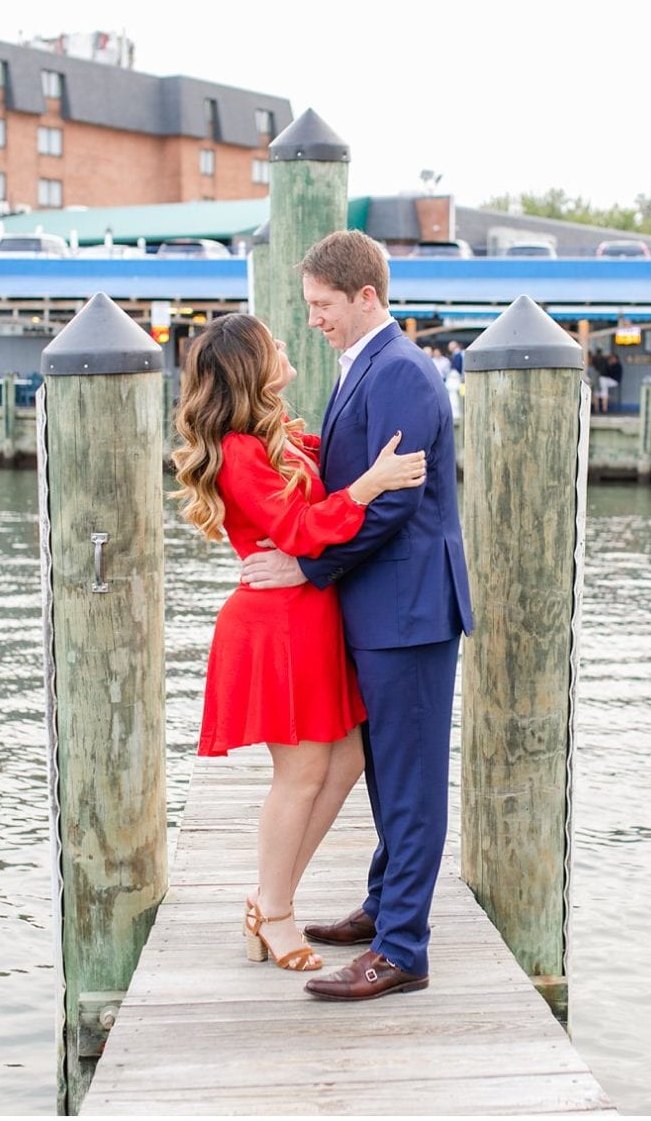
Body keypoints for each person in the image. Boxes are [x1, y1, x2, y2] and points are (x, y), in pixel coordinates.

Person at [239, 230, 473, 1002]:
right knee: (386, 776)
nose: (313, 318)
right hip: (379, 610)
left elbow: (393, 506)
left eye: (322, 304)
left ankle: (404, 947)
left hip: (407, 610)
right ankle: (383, 907)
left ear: (365, 296)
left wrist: (304, 566)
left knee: (410, 784)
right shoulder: (362, 367)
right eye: (309, 306)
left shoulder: (400, 371)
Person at [171, 312, 428, 974]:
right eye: (271, 344)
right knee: (302, 773)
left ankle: (269, 895)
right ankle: (275, 910)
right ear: (246, 369)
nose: (285, 344)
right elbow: (301, 530)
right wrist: (370, 484)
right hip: (275, 624)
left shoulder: (276, 433)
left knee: (342, 764)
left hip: (312, 616)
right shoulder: (237, 450)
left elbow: (320, 494)